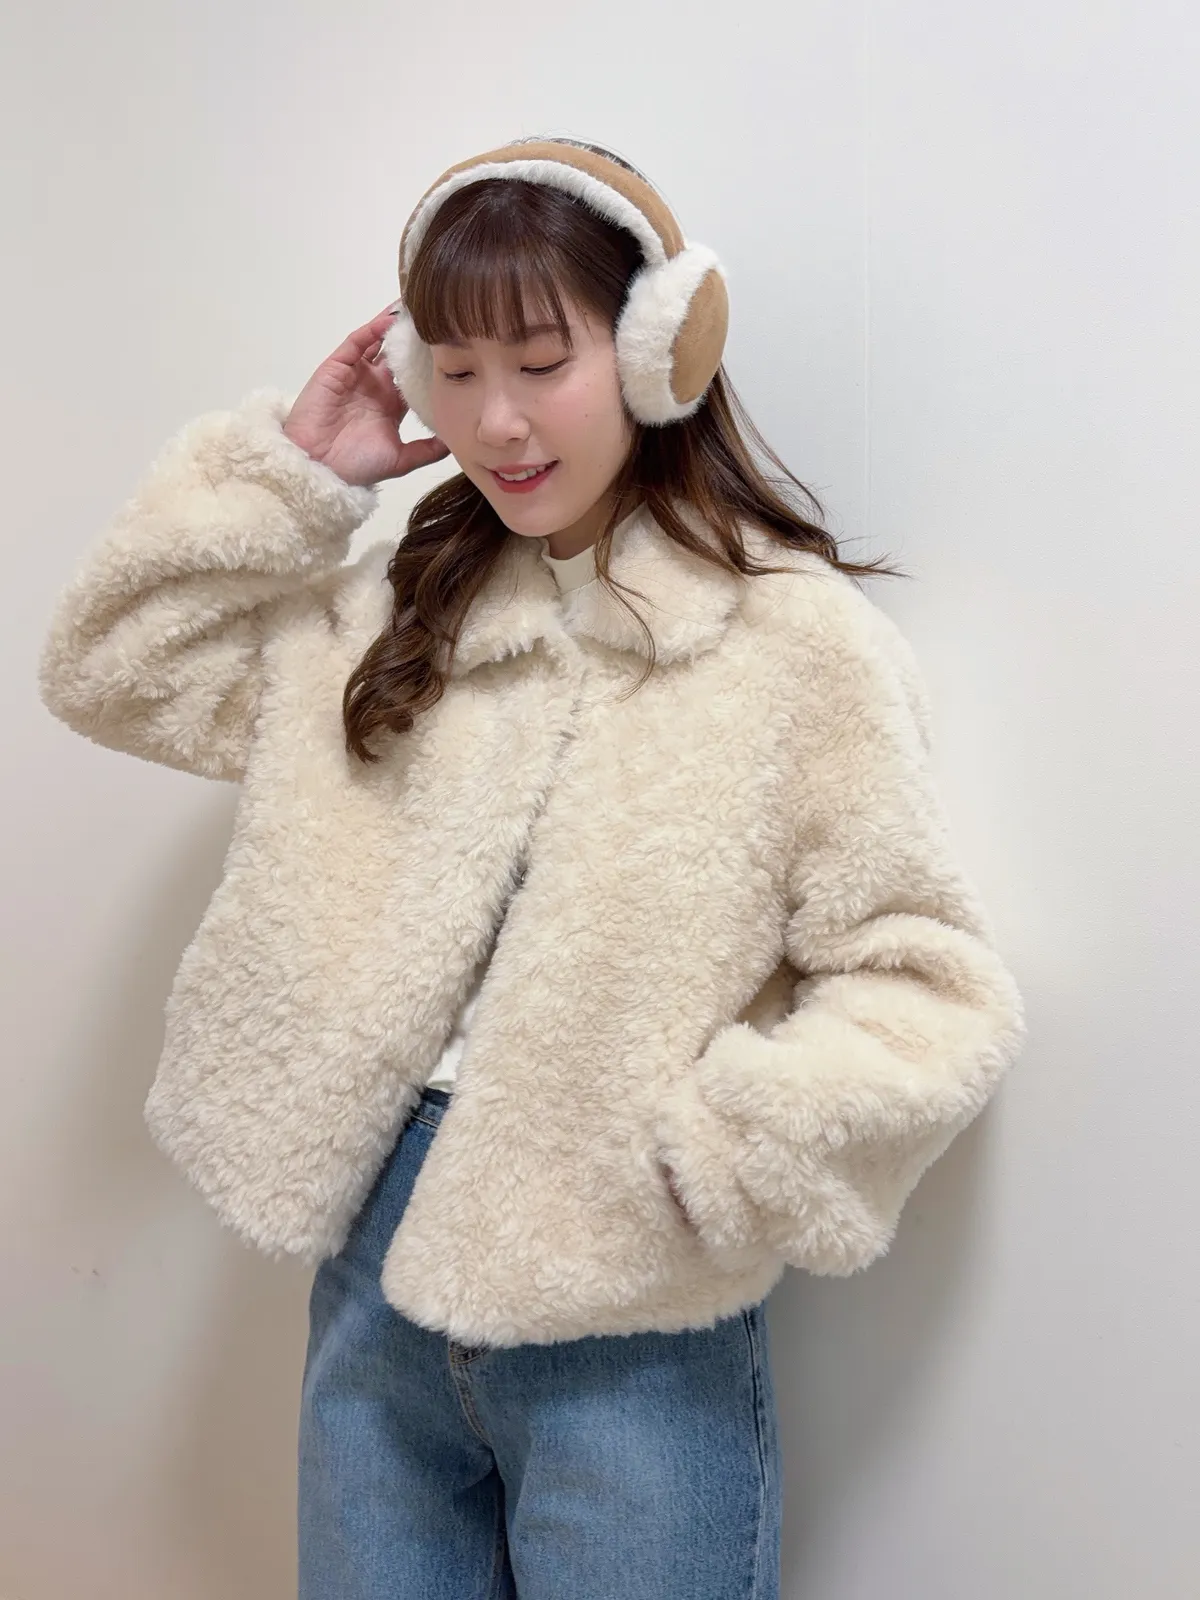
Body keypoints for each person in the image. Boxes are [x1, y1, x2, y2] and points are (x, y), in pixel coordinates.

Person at [38, 136, 1026, 1599]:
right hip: (373, 1268)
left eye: (542, 362)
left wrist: (716, 1163)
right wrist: (300, 476)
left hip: (628, 1312)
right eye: (453, 368)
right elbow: (115, 672)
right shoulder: (398, 609)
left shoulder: (793, 649)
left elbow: (926, 983)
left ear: (656, 353)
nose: (495, 420)